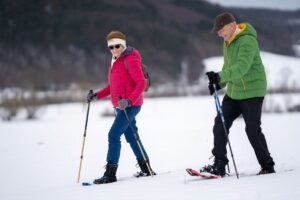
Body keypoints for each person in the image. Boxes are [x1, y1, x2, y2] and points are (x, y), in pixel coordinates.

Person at [202, 12, 275, 176]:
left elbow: (242, 67)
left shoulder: (247, 41)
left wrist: (220, 76)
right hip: (235, 92)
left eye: (221, 30)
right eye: (218, 32)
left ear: (231, 25)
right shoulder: (227, 43)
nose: (219, 34)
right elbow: (229, 68)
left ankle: (267, 165)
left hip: (253, 92)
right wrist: (218, 84)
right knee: (220, 124)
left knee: (252, 130)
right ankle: (219, 164)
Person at [87, 31, 155, 184]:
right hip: (120, 106)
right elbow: (113, 86)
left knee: (113, 135)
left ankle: (110, 174)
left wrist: (129, 101)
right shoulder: (114, 60)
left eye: (117, 45)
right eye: (111, 47)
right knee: (131, 136)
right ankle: (146, 168)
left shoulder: (130, 59)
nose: (114, 49)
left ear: (123, 44)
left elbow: (141, 82)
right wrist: (97, 95)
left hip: (130, 106)